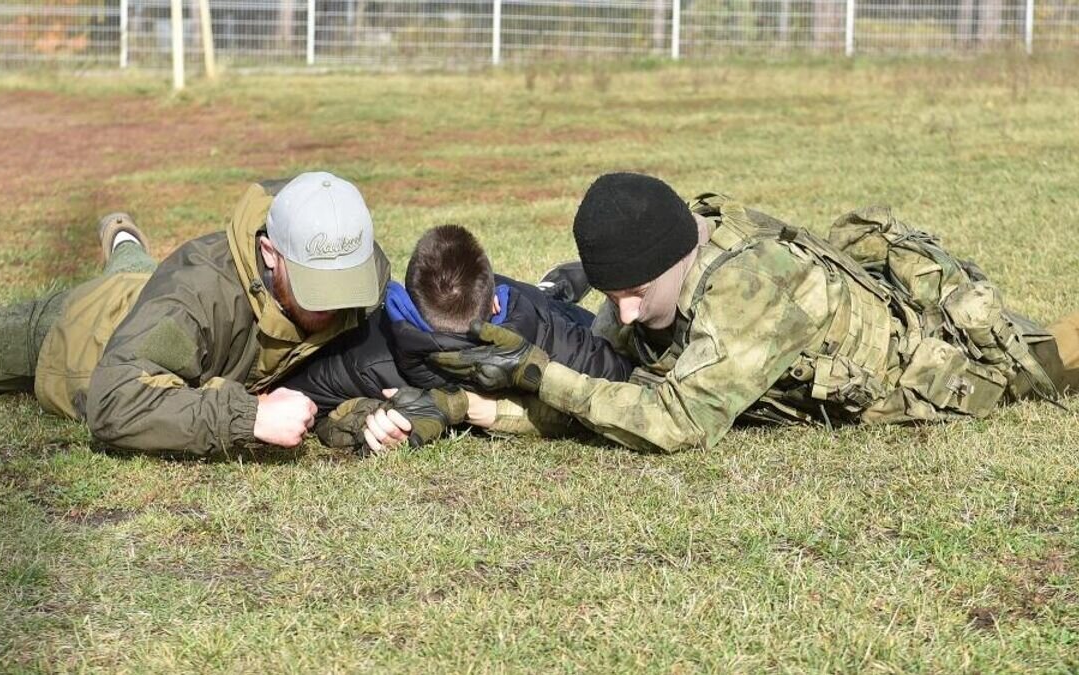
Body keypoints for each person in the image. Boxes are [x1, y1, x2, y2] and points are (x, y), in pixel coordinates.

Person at [419, 172, 1079, 453]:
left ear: (669, 261)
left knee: (1055, 358)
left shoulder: (748, 293)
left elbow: (674, 421)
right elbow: (613, 393)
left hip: (958, 376)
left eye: (634, 291)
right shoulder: (667, 266)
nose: (617, 310)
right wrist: (474, 410)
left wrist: (540, 374)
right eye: (610, 289)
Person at [0, 173, 391, 456]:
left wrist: (359, 415)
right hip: (81, 331)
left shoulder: (353, 279)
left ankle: (125, 242)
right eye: (316, 287)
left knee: (140, 277)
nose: (333, 304)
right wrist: (248, 415)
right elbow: (115, 402)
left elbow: (319, 374)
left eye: (342, 284)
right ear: (271, 253)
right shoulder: (198, 290)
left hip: (149, 291)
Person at [281, 224, 633, 451]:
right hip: (534, 310)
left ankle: (552, 290)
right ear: (493, 304)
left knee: (541, 302)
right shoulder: (544, 331)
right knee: (544, 305)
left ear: (409, 303)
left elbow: (296, 399)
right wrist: (368, 419)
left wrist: (361, 412)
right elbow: (622, 376)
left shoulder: (366, 352)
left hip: (531, 306)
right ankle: (550, 290)